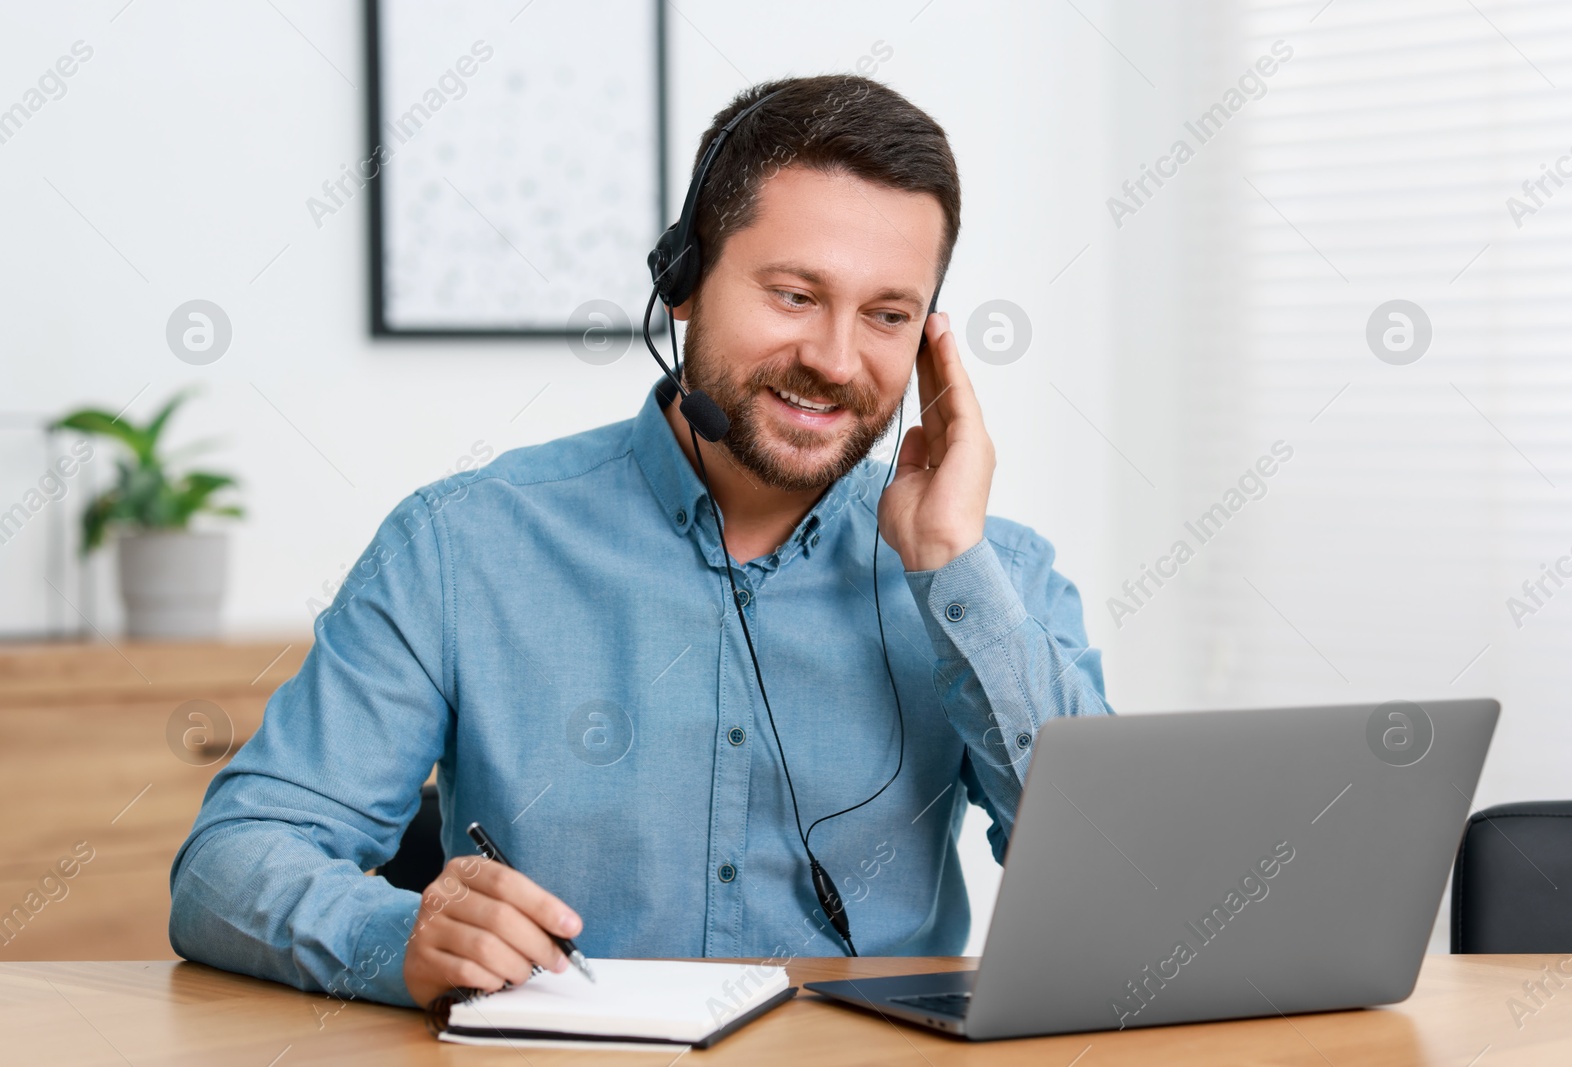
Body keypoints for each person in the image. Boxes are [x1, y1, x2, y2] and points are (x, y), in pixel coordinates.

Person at [169, 73, 1110, 1010]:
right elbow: (228, 865)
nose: (833, 358)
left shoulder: (993, 579)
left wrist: (953, 570)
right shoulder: (462, 544)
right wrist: (397, 938)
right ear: (684, 281)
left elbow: (1127, 885)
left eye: (887, 315)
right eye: (794, 295)